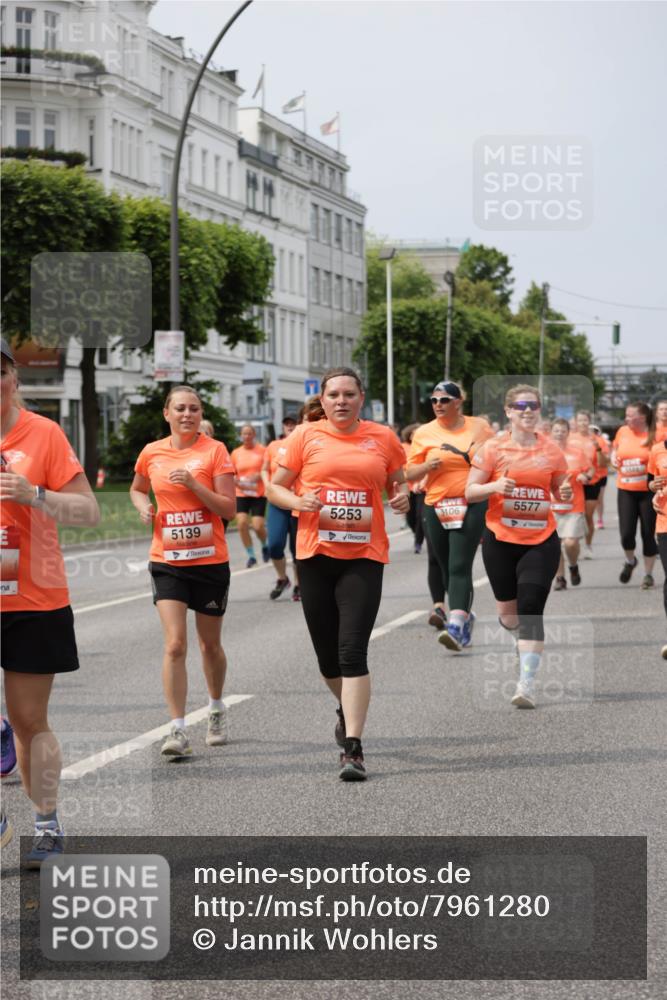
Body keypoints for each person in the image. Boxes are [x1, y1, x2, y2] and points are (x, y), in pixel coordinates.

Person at [267, 367, 409, 781]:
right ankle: (344, 707)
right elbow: (274, 487)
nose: (341, 401)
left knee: (352, 652)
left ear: (361, 398)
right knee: (327, 658)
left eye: (349, 394)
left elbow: (397, 483)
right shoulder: (304, 436)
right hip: (314, 555)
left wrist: (401, 499)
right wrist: (299, 499)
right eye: (334, 395)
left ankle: (353, 747)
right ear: (323, 399)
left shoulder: (383, 437)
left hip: (364, 554)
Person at [1, 337, 100, 865]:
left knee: (27, 720)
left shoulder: (44, 434)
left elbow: (88, 512)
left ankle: (45, 822)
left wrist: (34, 494)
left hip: (34, 599)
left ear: (14, 379)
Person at [130, 385, 236, 759]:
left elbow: (227, 509)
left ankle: (216, 707)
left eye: (193, 408)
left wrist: (194, 485)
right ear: (167, 414)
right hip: (167, 559)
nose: (187, 414)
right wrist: (144, 507)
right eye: (180, 408)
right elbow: (138, 488)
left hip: (209, 562)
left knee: (209, 645)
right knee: (175, 644)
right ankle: (177, 728)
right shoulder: (152, 452)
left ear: (200, 413)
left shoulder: (215, 451)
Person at [465, 384, 572, 709]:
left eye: (533, 405)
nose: (528, 411)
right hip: (500, 540)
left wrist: (563, 493)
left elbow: (559, 487)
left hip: (541, 541)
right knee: (509, 616)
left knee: (530, 609)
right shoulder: (493, 449)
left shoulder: (551, 450)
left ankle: (525, 684)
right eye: (521, 406)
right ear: (509, 412)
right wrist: (495, 485)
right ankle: (517, 638)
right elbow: (470, 491)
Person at [407, 381, 493, 651]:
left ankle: (455, 624)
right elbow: (408, 473)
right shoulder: (423, 433)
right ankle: (465, 614)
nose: (438, 405)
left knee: (459, 565)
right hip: (436, 504)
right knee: (444, 565)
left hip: (471, 502)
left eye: (444, 400)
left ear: (458, 402)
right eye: (433, 400)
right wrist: (425, 466)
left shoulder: (479, 427)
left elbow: (496, 460)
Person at [611, 402, 657, 588]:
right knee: (626, 535)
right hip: (626, 490)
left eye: (631, 415)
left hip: (648, 492)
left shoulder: (655, 435)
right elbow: (616, 449)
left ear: (643, 418)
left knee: (648, 534)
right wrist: (614, 457)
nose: (626, 418)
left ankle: (648, 575)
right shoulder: (622, 431)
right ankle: (631, 561)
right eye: (626, 415)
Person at [550, 418, 594, 590]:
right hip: (552, 506)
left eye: (563, 431)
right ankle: (560, 578)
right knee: (555, 544)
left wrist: (586, 476)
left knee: (570, 543)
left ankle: (573, 565)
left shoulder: (577, 453)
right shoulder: (546, 454)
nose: (559, 434)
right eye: (556, 431)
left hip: (573, 505)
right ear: (551, 433)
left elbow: (590, 469)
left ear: (568, 433)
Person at [261, 414, 299, 600]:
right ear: (283, 428)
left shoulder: (302, 443)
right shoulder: (273, 446)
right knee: (274, 545)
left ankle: (299, 584)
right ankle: (282, 578)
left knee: (297, 548)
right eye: (287, 425)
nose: (290, 427)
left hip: (298, 501)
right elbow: (264, 468)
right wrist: (267, 484)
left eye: (293, 424)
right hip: (277, 502)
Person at [230, 425, 268, 568]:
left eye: (250, 433)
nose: (247, 436)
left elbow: (268, 468)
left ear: (254, 435)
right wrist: (234, 479)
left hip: (258, 492)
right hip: (241, 492)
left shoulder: (262, 450)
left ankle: (265, 545)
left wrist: (259, 475)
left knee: (258, 526)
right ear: (241, 436)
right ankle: (251, 555)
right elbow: (231, 471)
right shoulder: (236, 453)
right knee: (241, 524)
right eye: (244, 434)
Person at [570, 411, 606, 555]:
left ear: (589, 422)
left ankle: (588, 545)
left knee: (588, 516)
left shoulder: (597, 440)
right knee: (575, 515)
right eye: (580, 420)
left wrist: (597, 448)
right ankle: (574, 544)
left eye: (585, 420)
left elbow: (603, 464)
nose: (583, 423)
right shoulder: (569, 438)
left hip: (592, 482)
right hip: (574, 482)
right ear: (576, 422)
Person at [401, 424, 425, 554]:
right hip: (407, 487)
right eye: (413, 434)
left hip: (422, 487)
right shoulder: (403, 447)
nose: (416, 436)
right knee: (410, 517)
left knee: (420, 515)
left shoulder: (425, 448)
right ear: (409, 435)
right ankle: (418, 534)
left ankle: (418, 542)